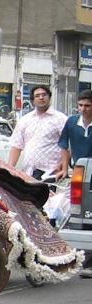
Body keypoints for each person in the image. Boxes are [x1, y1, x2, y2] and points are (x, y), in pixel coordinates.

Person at [57, 89, 92, 279]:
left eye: (87, 106)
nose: (83, 109)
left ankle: (88, 262)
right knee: (79, 215)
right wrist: (64, 168)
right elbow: (64, 145)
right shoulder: (72, 122)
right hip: (79, 173)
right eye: (81, 105)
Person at [8, 85, 68, 180]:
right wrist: (9, 169)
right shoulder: (25, 120)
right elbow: (16, 145)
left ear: (49, 97)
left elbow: (69, 145)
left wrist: (63, 166)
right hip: (28, 172)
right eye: (37, 95)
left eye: (44, 95)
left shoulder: (61, 119)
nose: (41, 97)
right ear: (32, 100)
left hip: (50, 173)